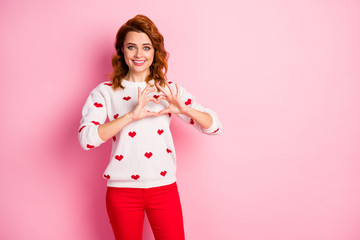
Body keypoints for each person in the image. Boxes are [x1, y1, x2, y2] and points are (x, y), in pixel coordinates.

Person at [78, 14, 222, 240]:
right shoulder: (105, 92)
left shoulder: (168, 90)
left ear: (155, 52)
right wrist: (131, 116)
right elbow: (86, 139)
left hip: (164, 190)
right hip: (122, 193)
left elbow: (214, 126)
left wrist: (184, 109)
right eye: (131, 47)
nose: (138, 54)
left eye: (146, 47)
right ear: (122, 51)